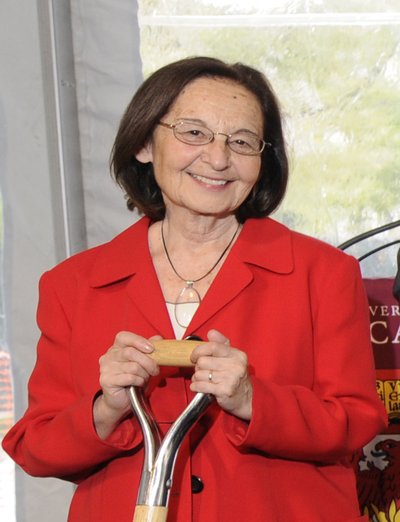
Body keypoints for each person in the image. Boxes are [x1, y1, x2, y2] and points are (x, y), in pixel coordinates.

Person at [3, 56, 387, 521]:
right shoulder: (73, 284)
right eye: (193, 133)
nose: (219, 158)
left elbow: (355, 421)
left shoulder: (323, 272)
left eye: (242, 141)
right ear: (144, 143)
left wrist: (253, 399)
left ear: (263, 161)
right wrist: (106, 409)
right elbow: (37, 448)